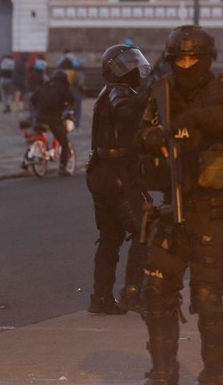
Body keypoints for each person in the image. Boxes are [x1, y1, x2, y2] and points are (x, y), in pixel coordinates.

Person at [135, 25, 223, 385]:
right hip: (172, 206)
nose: (186, 65)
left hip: (212, 210)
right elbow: (143, 132)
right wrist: (155, 138)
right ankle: (163, 371)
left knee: (207, 298)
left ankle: (216, 374)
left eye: (192, 58)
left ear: (206, 60)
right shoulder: (162, 94)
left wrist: (185, 126)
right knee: (155, 292)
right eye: (179, 58)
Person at [85, 44, 153, 315]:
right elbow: (125, 111)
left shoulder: (109, 92)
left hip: (102, 171)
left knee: (110, 237)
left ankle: (101, 298)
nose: (137, 70)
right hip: (116, 172)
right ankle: (132, 292)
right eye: (131, 65)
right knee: (144, 231)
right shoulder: (119, 92)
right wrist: (149, 95)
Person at [30, 69, 75, 176]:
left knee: (41, 132)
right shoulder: (64, 88)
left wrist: (39, 108)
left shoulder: (45, 85)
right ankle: (63, 168)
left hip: (40, 117)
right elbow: (71, 100)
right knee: (64, 143)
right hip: (55, 119)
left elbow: (33, 98)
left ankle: (42, 151)